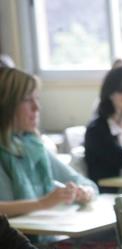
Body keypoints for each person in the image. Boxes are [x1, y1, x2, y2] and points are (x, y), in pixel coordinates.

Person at [0, 68, 97, 218]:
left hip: (39, 236)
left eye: (36, 99)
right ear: (6, 104)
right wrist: (42, 203)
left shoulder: (31, 144)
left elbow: (85, 183)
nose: (37, 107)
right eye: (27, 100)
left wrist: (83, 192)